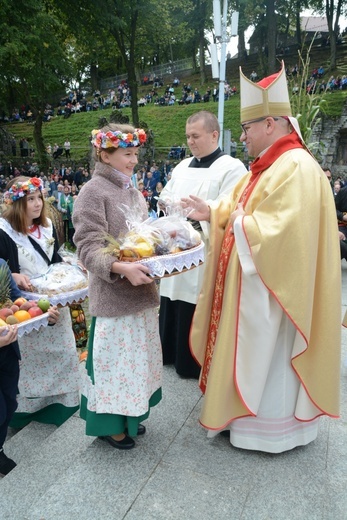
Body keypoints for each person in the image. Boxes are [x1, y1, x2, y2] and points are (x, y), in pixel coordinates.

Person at [181, 62, 341, 453]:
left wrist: (238, 221)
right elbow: (242, 203)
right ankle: (242, 418)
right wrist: (216, 212)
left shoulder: (297, 166)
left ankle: (273, 431)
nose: (244, 136)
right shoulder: (272, 164)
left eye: (249, 128)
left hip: (277, 294)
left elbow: (282, 233)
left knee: (271, 367)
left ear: (270, 124)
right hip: (257, 284)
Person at [73, 124, 162, 450]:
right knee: (115, 364)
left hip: (140, 293)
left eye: (136, 153)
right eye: (128, 154)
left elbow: (143, 238)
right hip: (113, 297)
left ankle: (130, 415)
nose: (134, 160)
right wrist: (121, 267)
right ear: (105, 154)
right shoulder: (92, 192)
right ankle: (110, 423)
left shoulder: (132, 191)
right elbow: (86, 246)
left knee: (136, 361)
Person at [159, 111, 247, 378]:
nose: (190, 142)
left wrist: (205, 212)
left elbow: (229, 206)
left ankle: (192, 361)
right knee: (171, 296)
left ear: (214, 135)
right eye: (187, 137)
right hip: (176, 249)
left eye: (195, 136)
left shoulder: (232, 168)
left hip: (203, 249)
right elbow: (166, 196)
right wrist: (166, 206)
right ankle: (168, 354)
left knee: (192, 301)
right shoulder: (182, 166)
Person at [0, 177, 80, 429]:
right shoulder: (3, 232)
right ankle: (27, 411)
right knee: (31, 359)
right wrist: (12, 275)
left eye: (38, 198)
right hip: (26, 305)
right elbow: (3, 270)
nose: (36, 205)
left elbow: (53, 257)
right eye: (29, 199)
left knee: (64, 351)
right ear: (15, 203)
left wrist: (69, 268)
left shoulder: (46, 225)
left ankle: (63, 405)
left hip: (54, 295)